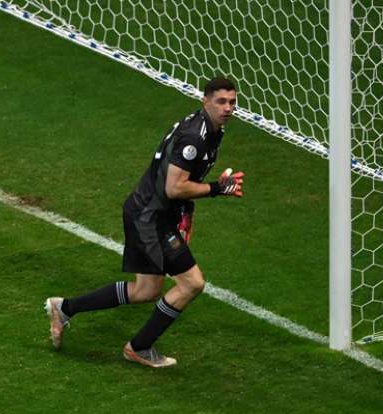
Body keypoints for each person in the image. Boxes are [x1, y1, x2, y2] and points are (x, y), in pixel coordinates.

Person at [45, 77, 244, 368]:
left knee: (146, 291)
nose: (228, 108)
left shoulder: (211, 128)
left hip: (152, 213)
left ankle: (64, 308)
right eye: (221, 102)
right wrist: (217, 188)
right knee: (192, 284)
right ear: (205, 101)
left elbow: (177, 186)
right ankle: (139, 347)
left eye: (232, 102)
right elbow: (175, 188)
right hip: (150, 218)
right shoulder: (195, 137)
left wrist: (184, 212)